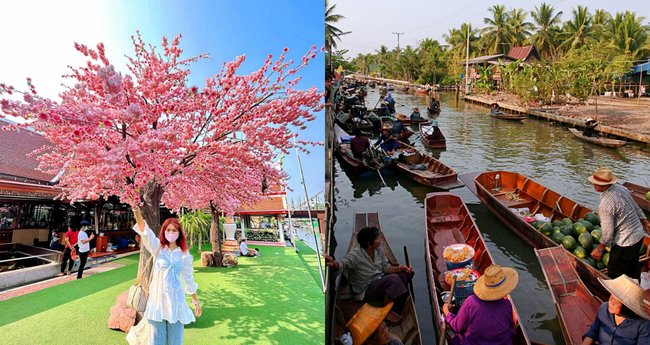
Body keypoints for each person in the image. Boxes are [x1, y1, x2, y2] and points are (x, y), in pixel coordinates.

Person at [131, 209, 201, 345]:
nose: (171, 233)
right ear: (163, 232)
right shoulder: (157, 247)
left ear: (179, 233)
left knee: (176, 341)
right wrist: (136, 210)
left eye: (174, 230)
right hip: (157, 301)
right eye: (168, 230)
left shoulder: (184, 255)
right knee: (156, 340)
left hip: (176, 301)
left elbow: (188, 279)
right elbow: (144, 229)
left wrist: (196, 302)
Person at [324, 226, 413, 316]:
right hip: (365, 290)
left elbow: (386, 268)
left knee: (405, 274)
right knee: (393, 279)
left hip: (379, 280)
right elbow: (343, 263)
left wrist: (400, 268)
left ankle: (394, 298)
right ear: (369, 244)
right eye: (378, 238)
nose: (380, 239)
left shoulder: (379, 250)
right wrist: (334, 264)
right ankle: (386, 312)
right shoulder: (355, 255)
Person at [588, 167, 650, 280]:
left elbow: (608, 231)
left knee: (615, 273)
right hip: (638, 236)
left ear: (604, 185)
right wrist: (645, 222)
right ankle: (635, 290)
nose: (594, 186)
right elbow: (635, 207)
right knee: (633, 268)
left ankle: (618, 296)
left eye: (597, 184)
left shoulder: (606, 203)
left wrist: (600, 249)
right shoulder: (621, 188)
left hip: (624, 242)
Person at [442, 264, 519, 345]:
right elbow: (510, 326)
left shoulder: (471, 302)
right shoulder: (507, 304)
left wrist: (446, 312)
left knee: (456, 337)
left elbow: (456, 327)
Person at [582, 274, 650, 344]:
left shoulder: (643, 326)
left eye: (616, 300)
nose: (610, 302)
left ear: (627, 307)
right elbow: (593, 331)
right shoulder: (604, 308)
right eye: (611, 296)